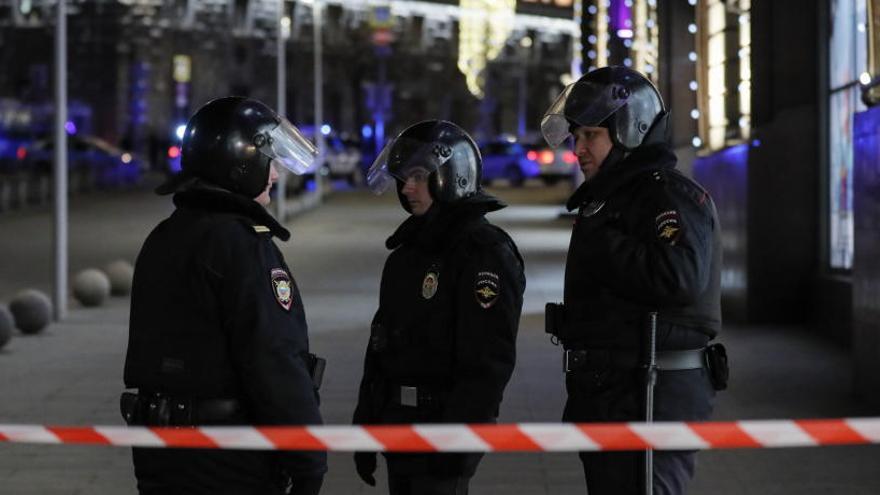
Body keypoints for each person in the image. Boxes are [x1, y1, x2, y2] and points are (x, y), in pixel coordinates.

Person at [121, 96, 327, 495]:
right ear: (241, 161)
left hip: (159, 453)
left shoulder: (165, 236)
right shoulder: (242, 246)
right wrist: (308, 458)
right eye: (270, 160)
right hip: (228, 458)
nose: (276, 174)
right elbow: (274, 359)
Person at [540, 66, 727, 495]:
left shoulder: (664, 195)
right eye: (577, 136)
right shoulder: (613, 198)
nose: (579, 148)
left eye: (591, 135)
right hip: (613, 395)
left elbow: (677, 277)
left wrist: (603, 239)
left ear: (630, 132)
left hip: (650, 396)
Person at [353, 120, 526, 495]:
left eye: (417, 176)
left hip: (441, 431)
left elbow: (487, 363)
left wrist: (459, 444)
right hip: (399, 428)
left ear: (453, 175)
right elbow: (381, 345)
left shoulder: (482, 252)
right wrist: (366, 422)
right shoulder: (407, 252)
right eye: (402, 178)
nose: (407, 188)